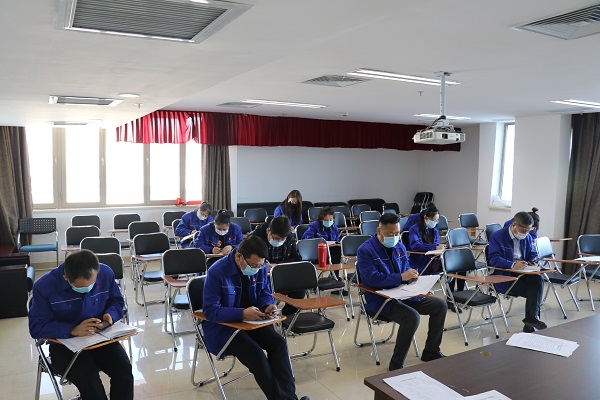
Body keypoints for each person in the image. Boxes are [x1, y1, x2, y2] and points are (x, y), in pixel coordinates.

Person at [202, 236, 309, 400]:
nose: (257, 269)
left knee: (278, 343)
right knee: (255, 354)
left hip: (252, 322)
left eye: (260, 265)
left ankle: (289, 397)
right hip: (225, 329)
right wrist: (242, 313)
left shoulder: (260, 267)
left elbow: (265, 292)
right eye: (253, 265)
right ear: (239, 256)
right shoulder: (217, 271)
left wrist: (267, 305)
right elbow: (210, 311)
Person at [28, 250, 133, 400]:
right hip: (64, 346)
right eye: (82, 286)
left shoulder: (105, 273)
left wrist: (111, 315)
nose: (88, 288)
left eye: (92, 284)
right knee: (91, 383)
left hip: (99, 339)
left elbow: (117, 302)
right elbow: (36, 327)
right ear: (66, 278)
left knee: (124, 371)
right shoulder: (44, 287)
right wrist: (72, 330)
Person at [357, 213, 447, 371]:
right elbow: (372, 279)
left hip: (404, 294)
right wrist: (401, 277)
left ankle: (431, 351)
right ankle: (396, 365)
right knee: (411, 317)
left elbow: (405, 268)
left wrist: (411, 276)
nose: (394, 237)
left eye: (397, 233)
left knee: (440, 305)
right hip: (381, 300)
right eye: (390, 233)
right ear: (379, 231)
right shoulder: (365, 250)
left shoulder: (399, 246)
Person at [488, 211, 545, 333]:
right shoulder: (497, 236)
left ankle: (531, 319)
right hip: (505, 276)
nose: (526, 232)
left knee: (538, 279)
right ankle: (530, 322)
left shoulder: (527, 237)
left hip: (523, 273)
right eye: (524, 229)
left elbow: (532, 253)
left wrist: (534, 260)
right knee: (534, 290)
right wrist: (512, 265)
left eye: (529, 230)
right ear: (514, 225)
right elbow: (494, 259)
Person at [407, 204, 444, 275]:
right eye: (433, 220)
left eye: (436, 221)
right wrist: (434, 247)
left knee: (455, 261)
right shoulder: (414, 229)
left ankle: (456, 282)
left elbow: (437, 243)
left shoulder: (434, 229)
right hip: (422, 258)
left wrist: (440, 248)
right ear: (425, 218)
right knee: (449, 263)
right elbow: (415, 246)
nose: (434, 223)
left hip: (434, 257)